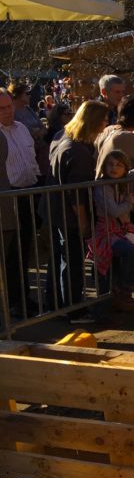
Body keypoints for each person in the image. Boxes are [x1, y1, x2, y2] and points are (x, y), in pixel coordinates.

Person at [48, 101, 109, 322]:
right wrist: (83, 222)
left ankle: (59, 305)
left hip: (55, 210)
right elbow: (77, 195)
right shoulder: (77, 151)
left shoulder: (62, 137)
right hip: (69, 214)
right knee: (72, 261)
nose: (106, 124)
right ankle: (75, 309)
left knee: (64, 260)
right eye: (103, 119)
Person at [0, 90, 41, 319]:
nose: (8, 111)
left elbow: (31, 160)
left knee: (24, 250)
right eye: (2, 108)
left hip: (29, 193)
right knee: (9, 254)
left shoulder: (22, 128)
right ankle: (14, 301)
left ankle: (24, 297)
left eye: (9, 106)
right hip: (7, 198)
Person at [88, 150, 134, 312]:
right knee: (133, 251)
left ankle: (122, 293)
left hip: (119, 230)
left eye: (119, 165)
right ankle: (122, 290)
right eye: (110, 164)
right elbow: (113, 211)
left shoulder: (124, 180)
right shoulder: (102, 187)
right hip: (104, 232)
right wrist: (128, 203)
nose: (114, 168)